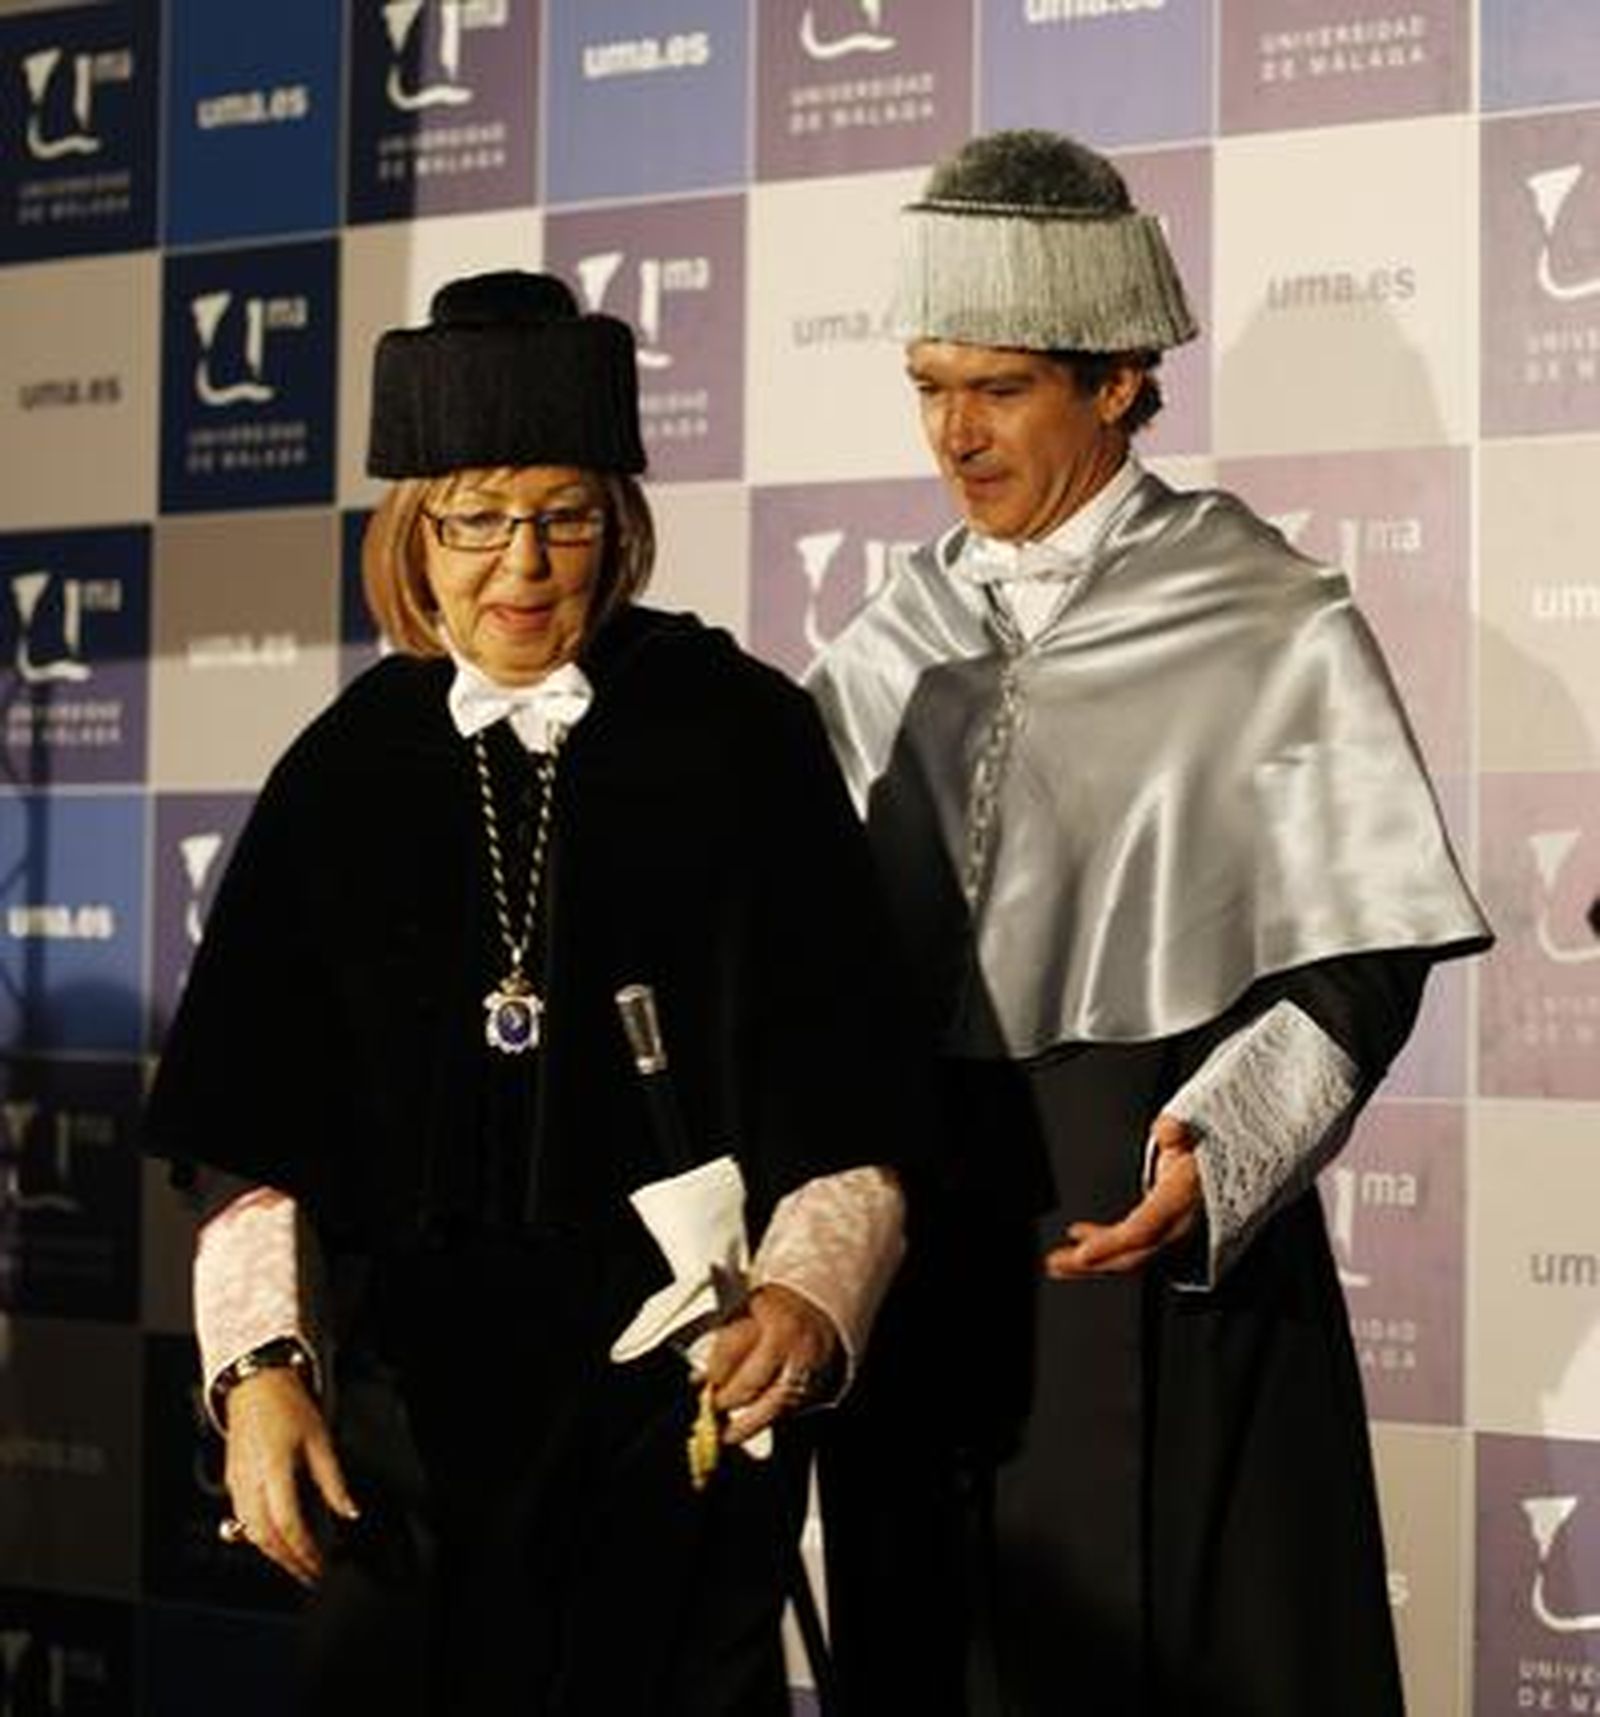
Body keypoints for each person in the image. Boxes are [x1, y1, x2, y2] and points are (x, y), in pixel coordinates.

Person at [142, 270, 918, 1716]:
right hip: (401, 1418)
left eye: (562, 515)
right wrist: (256, 1373)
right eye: (478, 519)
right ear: (413, 537)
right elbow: (251, 1141)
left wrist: (811, 1298)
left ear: (616, 527)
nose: (522, 565)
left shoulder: (738, 733)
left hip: (673, 1391)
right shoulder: (346, 763)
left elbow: (853, 1090)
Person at [807, 131, 1493, 1716]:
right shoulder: (884, 637)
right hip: (929, 1253)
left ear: (1116, 382)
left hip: (1162, 1222)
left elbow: (1363, 946)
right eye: (927, 385)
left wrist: (1220, 1141)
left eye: (999, 389)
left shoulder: (1267, 610)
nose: (953, 434)